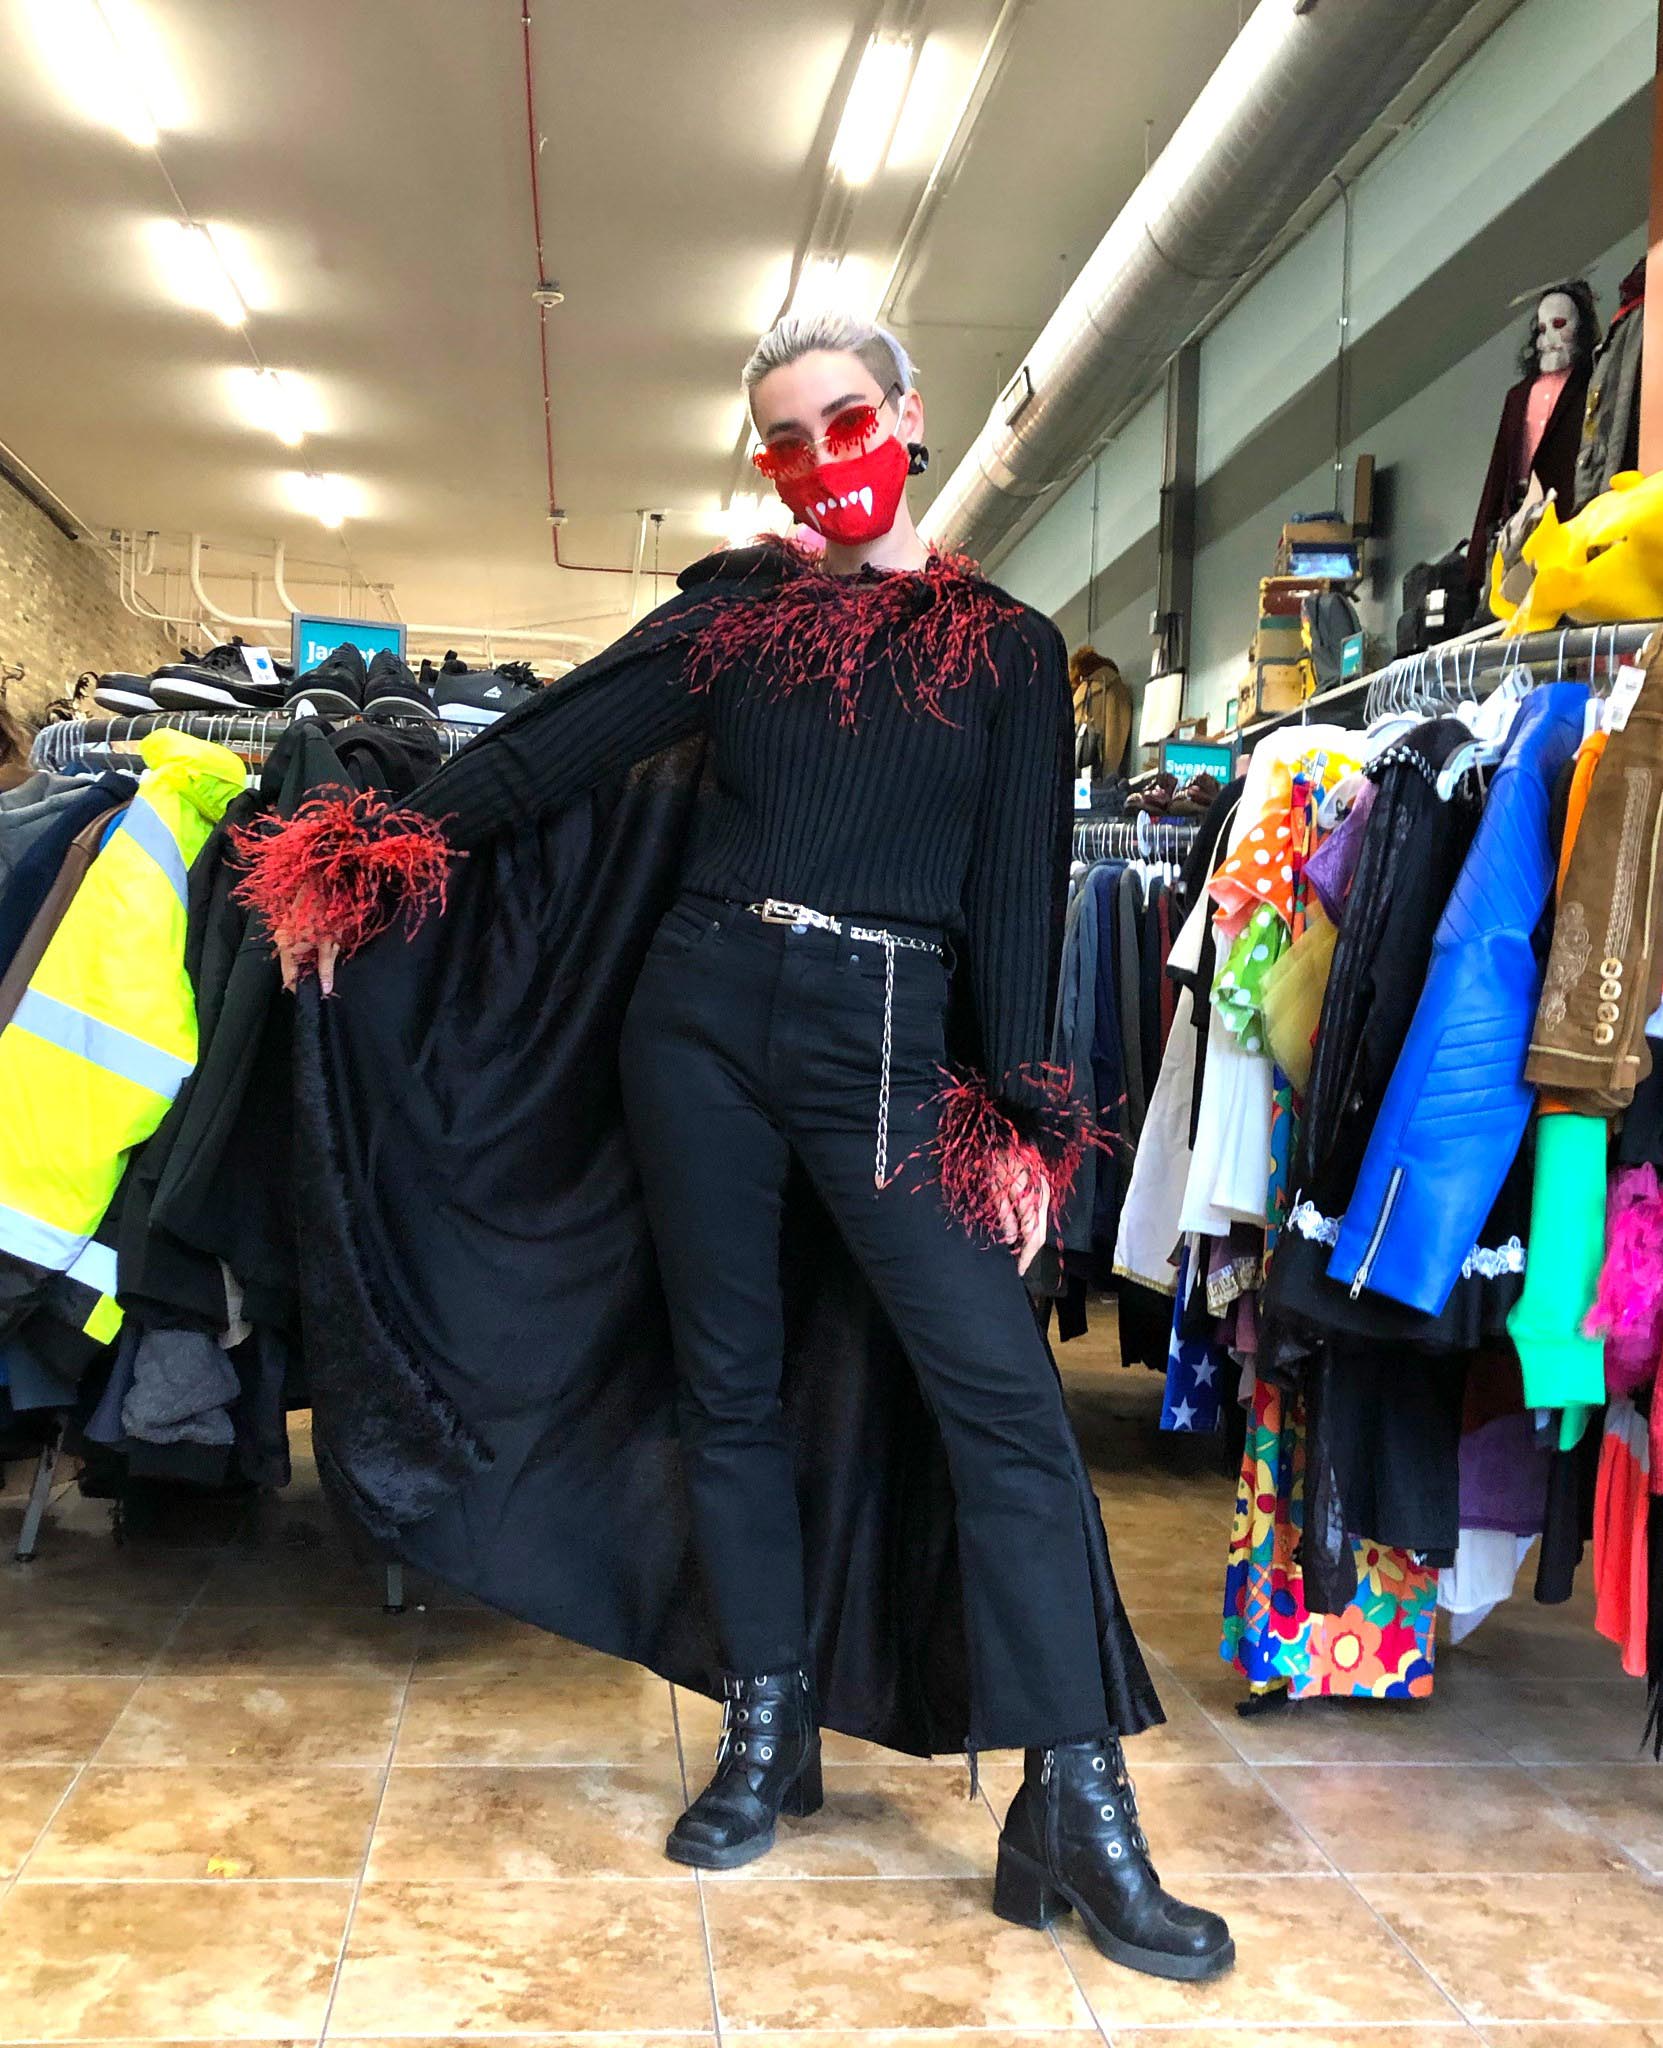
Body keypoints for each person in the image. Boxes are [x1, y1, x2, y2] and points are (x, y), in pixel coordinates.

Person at [245, 311, 1234, 1984]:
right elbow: (552, 753)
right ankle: (768, 1725)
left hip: (894, 1044)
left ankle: (1077, 1799)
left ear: (910, 421)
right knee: (729, 1383)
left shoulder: (1004, 650)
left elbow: (1012, 905)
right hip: (696, 1015)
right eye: (783, 437)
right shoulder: (737, 619)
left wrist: (1021, 1118)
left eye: (842, 418)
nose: (817, 457)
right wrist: (366, 852)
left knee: (1003, 1408)